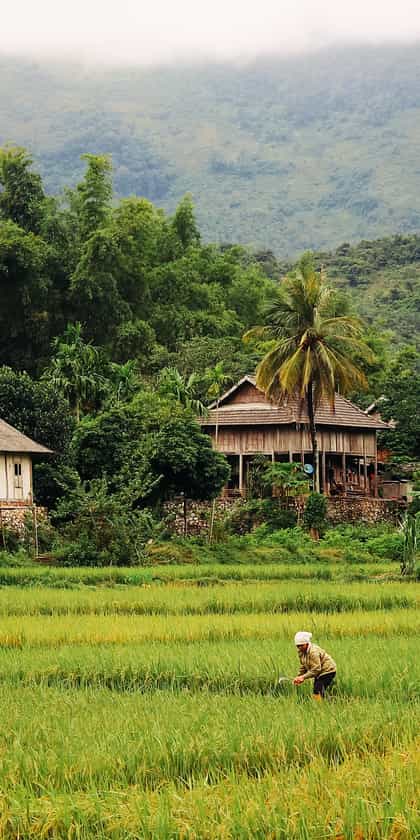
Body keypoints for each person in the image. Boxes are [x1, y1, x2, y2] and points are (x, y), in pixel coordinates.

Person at [293, 631, 336, 700]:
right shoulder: (301, 652)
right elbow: (303, 665)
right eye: (298, 646)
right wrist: (299, 676)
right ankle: (332, 702)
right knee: (318, 691)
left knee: (317, 691)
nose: (300, 648)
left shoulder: (313, 652)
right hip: (319, 672)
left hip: (328, 670)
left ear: (307, 643)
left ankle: (321, 705)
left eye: (302, 645)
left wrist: (303, 677)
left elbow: (316, 669)